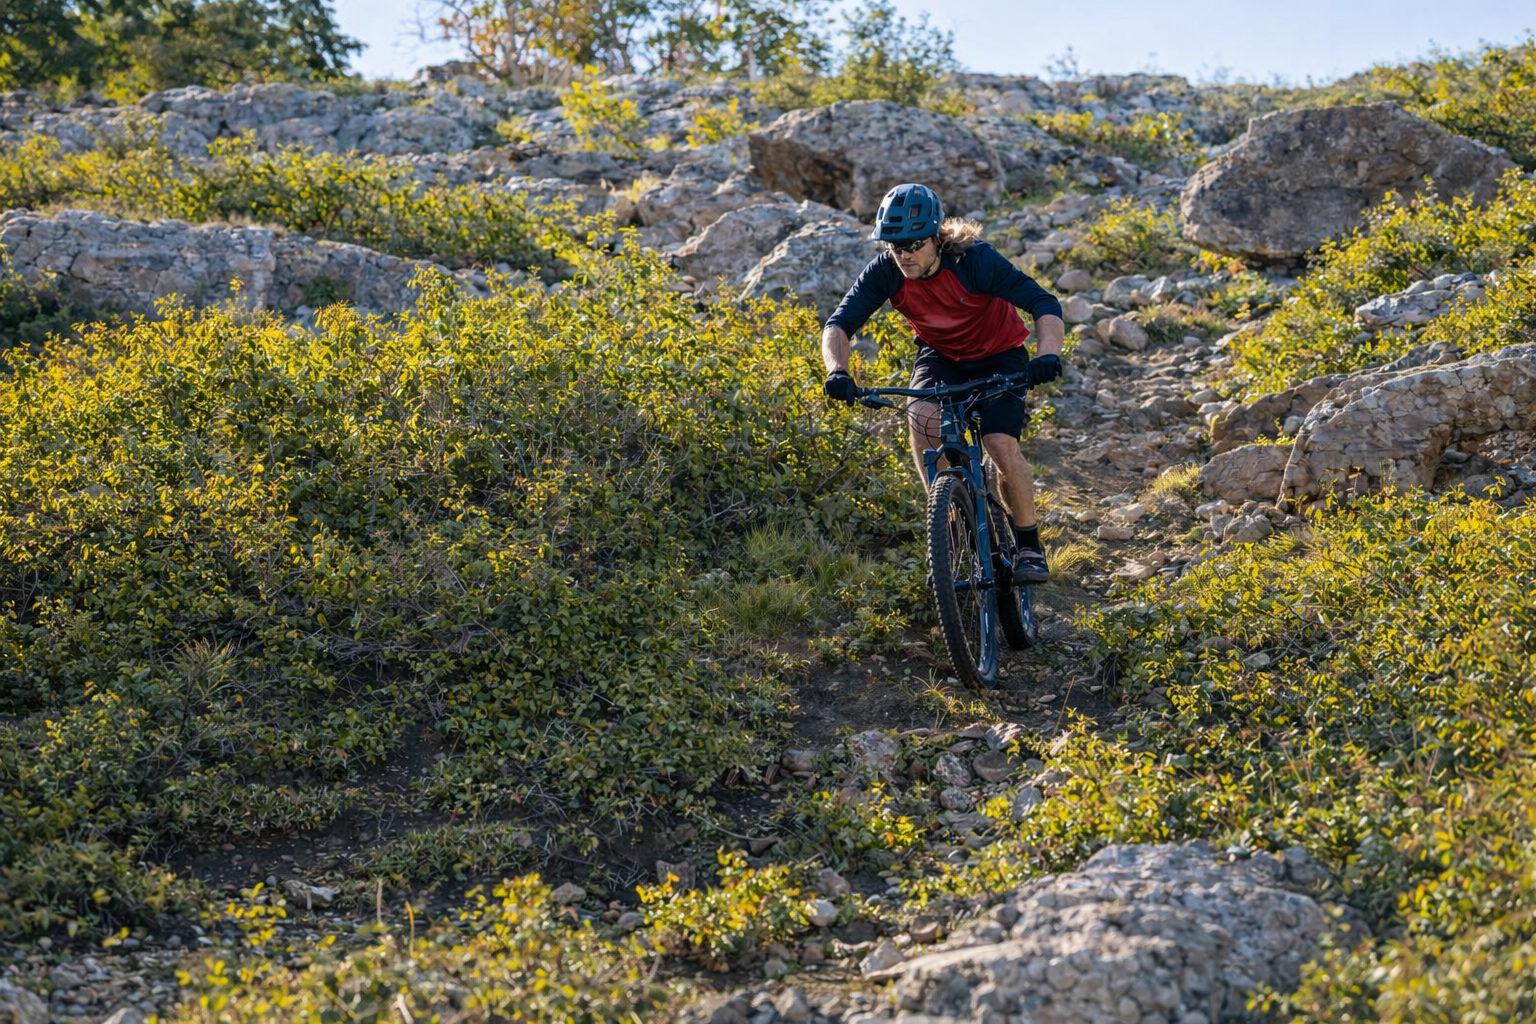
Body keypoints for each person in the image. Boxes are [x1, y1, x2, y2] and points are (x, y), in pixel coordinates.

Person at [820, 182, 1065, 582]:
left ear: (936, 237)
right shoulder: (887, 271)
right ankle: (946, 526)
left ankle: (1029, 545)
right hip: (942, 357)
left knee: (1000, 443)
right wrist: (838, 371)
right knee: (921, 415)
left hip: (999, 355)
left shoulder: (975, 261)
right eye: (894, 245)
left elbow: (1044, 303)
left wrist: (1048, 354)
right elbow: (839, 324)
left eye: (914, 244)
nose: (904, 254)